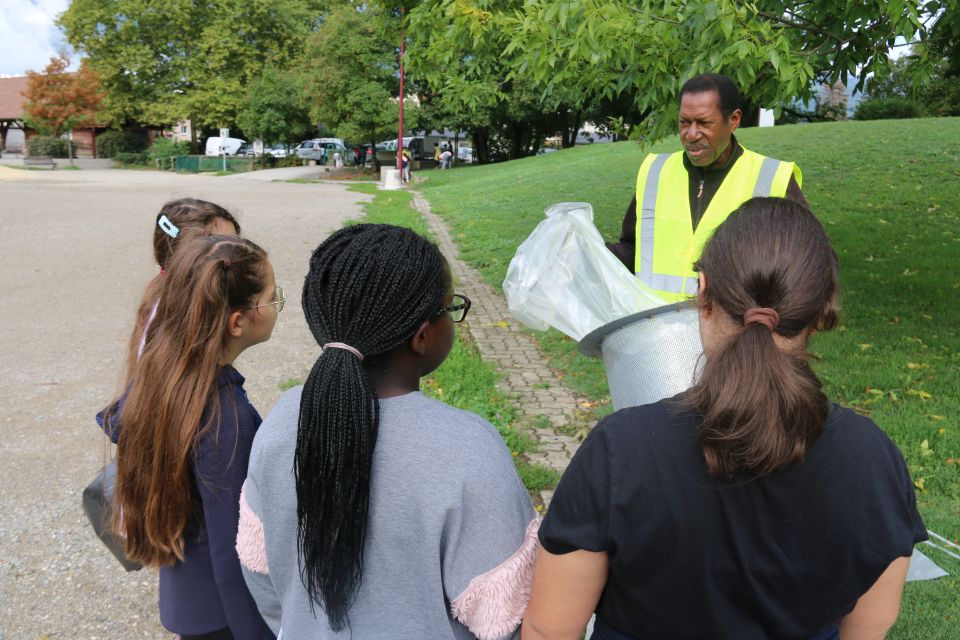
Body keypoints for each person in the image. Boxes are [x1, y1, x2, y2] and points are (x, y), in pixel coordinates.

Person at [522, 198, 927, 640]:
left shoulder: (620, 450)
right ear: (822, 311)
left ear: (703, 291)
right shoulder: (874, 461)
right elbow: (867, 630)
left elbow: (550, 630)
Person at [237, 224, 538, 639]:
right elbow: (508, 616)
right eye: (452, 309)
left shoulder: (282, 420)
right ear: (422, 336)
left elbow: (259, 569)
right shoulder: (469, 449)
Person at [99, 232, 282, 640]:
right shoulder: (226, 417)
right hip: (225, 618)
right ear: (239, 320)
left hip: (186, 593)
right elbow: (235, 548)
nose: (276, 305)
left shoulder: (162, 370)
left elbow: (117, 422)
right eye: (272, 297)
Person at [606, 73, 807, 303]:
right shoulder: (656, 172)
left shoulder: (773, 179)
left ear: (733, 120)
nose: (691, 134)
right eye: (684, 122)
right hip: (657, 332)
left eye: (703, 123)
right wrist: (584, 250)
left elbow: (806, 265)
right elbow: (632, 251)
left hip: (732, 336)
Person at [128, 198, 240, 366]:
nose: (241, 258)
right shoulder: (183, 324)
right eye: (225, 249)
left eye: (239, 245)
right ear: (186, 260)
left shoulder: (167, 297)